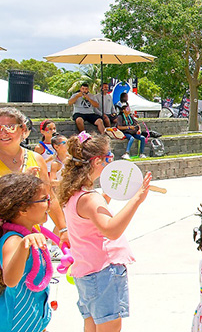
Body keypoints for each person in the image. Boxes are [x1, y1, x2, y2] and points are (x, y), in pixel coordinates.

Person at [59, 132, 151, 332]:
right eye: (109, 157)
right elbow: (111, 230)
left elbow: (89, 222)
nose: (111, 162)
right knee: (109, 327)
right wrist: (137, 199)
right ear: (97, 161)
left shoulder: (74, 194)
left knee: (91, 324)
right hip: (103, 271)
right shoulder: (91, 199)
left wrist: (106, 197)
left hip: (86, 272)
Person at [0, 108, 68, 249]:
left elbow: (49, 196)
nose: (3, 132)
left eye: (10, 127)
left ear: (23, 129)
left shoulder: (36, 159)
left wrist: (63, 229)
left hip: (31, 238)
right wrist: (21, 181)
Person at [0, 173, 55, 332]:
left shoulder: (28, 235)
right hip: (13, 324)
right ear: (23, 208)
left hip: (30, 323)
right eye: (44, 199)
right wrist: (22, 246)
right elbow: (11, 280)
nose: (49, 203)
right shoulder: (13, 240)